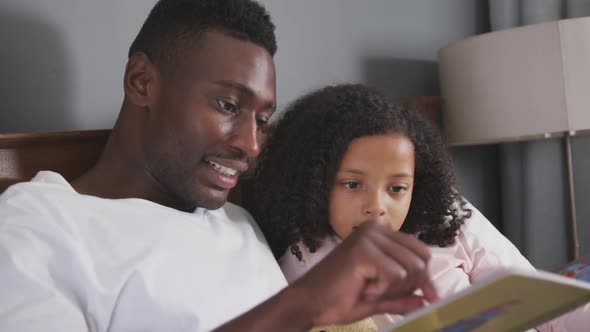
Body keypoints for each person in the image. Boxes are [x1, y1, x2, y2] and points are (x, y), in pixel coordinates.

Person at [0, 1, 438, 331]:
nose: (250, 145)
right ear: (141, 81)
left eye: (262, 121)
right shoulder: (36, 226)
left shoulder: (238, 220)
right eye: (228, 105)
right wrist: (301, 305)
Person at [253, 84, 589, 331]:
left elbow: (539, 301)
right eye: (353, 185)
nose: (376, 208)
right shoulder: (305, 269)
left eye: (397, 188)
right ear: (312, 182)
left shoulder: (447, 215)